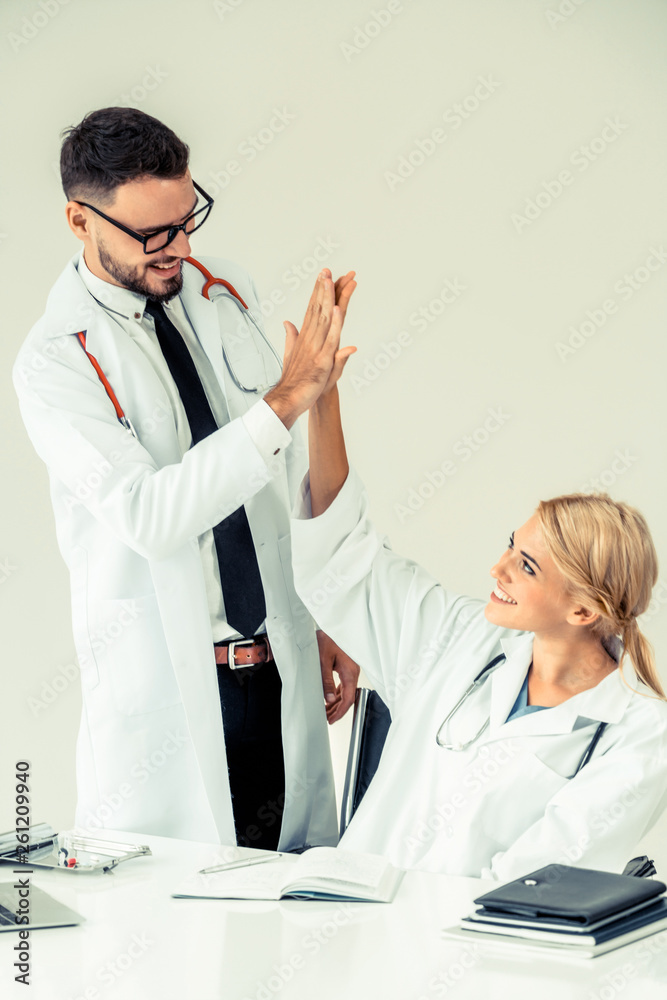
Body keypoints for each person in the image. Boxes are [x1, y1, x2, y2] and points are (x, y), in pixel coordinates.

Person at [12, 107, 359, 852]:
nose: (179, 247)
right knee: (181, 942)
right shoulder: (54, 363)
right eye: (151, 233)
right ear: (80, 220)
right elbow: (149, 515)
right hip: (172, 699)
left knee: (297, 914)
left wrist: (330, 609)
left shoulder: (221, 289)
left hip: (278, 670)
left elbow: (277, 474)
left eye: (187, 217)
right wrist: (287, 398)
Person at [290, 356, 667, 880]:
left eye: (526, 566)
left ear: (583, 609)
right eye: (511, 546)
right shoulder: (459, 636)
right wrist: (323, 400)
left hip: (473, 952)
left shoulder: (639, 733)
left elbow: (532, 882)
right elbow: (345, 554)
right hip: (341, 917)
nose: (498, 568)